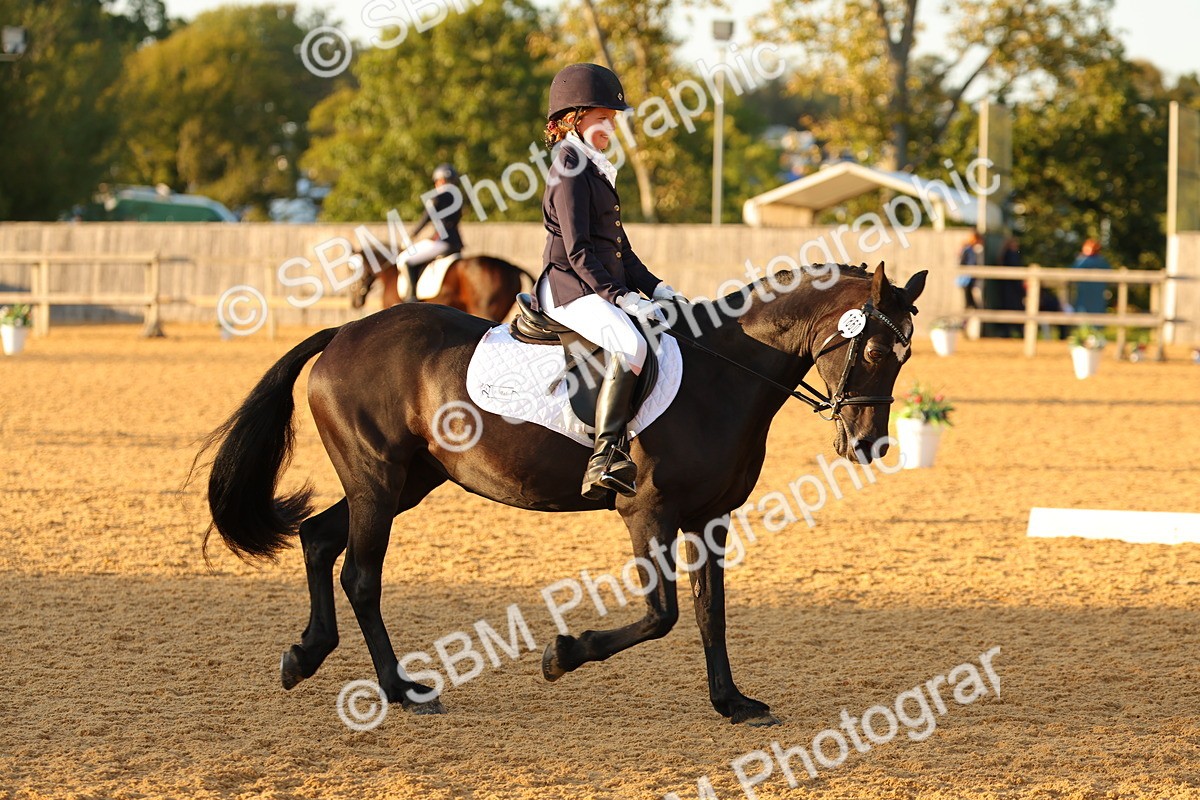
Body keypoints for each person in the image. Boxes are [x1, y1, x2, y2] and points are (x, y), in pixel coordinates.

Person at [534, 62, 685, 500]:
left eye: (612, 119)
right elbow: (579, 250)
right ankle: (603, 455)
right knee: (632, 344)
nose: (610, 127)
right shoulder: (568, 165)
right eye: (603, 118)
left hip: (592, 282)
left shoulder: (594, 166)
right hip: (567, 286)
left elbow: (620, 249)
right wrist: (622, 298)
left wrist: (656, 288)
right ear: (575, 118)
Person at [400, 163, 464, 301]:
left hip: (442, 241)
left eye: (437, 181)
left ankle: (411, 298)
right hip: (456, 242)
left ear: (441, 180)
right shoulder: (459, 198)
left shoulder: (437, 197)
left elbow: (426, 219)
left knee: (405, 259)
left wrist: (411, 235)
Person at [1070, 238, 1111, 314]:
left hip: (1087, 294)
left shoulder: (1083, 261)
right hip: (1095, 296)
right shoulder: (1102, 261)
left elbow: (1072, 271)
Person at [996, 235, 1025, 338]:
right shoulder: (1012, 254)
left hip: (1008, 287)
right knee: (1015, 309)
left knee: (1009, 308)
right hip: (1012, 288)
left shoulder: (1005, 254)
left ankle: (1008, 331)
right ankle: (1017, 332)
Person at [958, 231, 982, 309]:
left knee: (970, 299)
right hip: (966, 277)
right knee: (968, 300)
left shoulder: (972, 249)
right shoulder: (968, 249)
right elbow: (963, 262)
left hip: (970, 277)